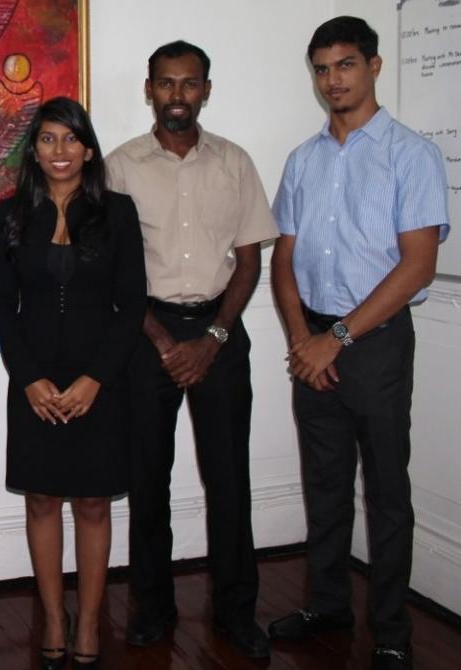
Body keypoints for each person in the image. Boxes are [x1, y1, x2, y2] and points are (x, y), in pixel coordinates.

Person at [269, 17, 449, 670]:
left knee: (385, 491)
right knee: (323, 484)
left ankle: (393, 630)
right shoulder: (303, 159)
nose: (332, 80)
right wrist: (302, 339)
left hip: (373, 342)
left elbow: (417, 265)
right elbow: (282, 260)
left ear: (374, 66)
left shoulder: (412, 154)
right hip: (312, 336)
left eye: (345, 65)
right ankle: (327, 603)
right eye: (321, 68)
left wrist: (337, 338)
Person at [105, 40, 277, 659]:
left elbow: (252, 259)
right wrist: (160, 340)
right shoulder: (120, 166)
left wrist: (213, 338)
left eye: (190, 84)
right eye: (166, 84)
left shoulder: (235, 162)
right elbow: (112, 269)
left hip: (220, 333)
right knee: (148, 479)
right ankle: (152, 608)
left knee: (230, 480)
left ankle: (235, 611)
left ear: (206, 89)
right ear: (149, 89)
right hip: (144, 337)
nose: (178, 95)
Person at [0, 97, 146, 669]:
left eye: (71, 139)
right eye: (49, 139)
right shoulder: (9, 214)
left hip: (98, 384)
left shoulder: (119, 212)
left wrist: (94, 379)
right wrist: (28, 379)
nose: (60, 150)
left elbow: (131, 306)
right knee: (40, 499)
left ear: (88, 148)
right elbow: (1, 306)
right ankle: (54, 616)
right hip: (33, 382)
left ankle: (89, 621)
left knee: (94, 504)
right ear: (35, 149)